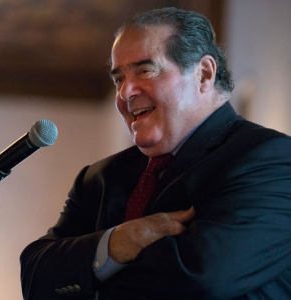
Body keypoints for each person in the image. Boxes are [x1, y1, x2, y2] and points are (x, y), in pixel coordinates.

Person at [20, 7, 291, 300]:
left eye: (145, 70)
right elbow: (34, 277)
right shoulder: (97, 178)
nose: (125, 93)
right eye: (118, 79)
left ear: (204, 74)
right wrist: (118, 242)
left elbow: (200, 280)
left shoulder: (272, 160)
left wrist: (88, 277)